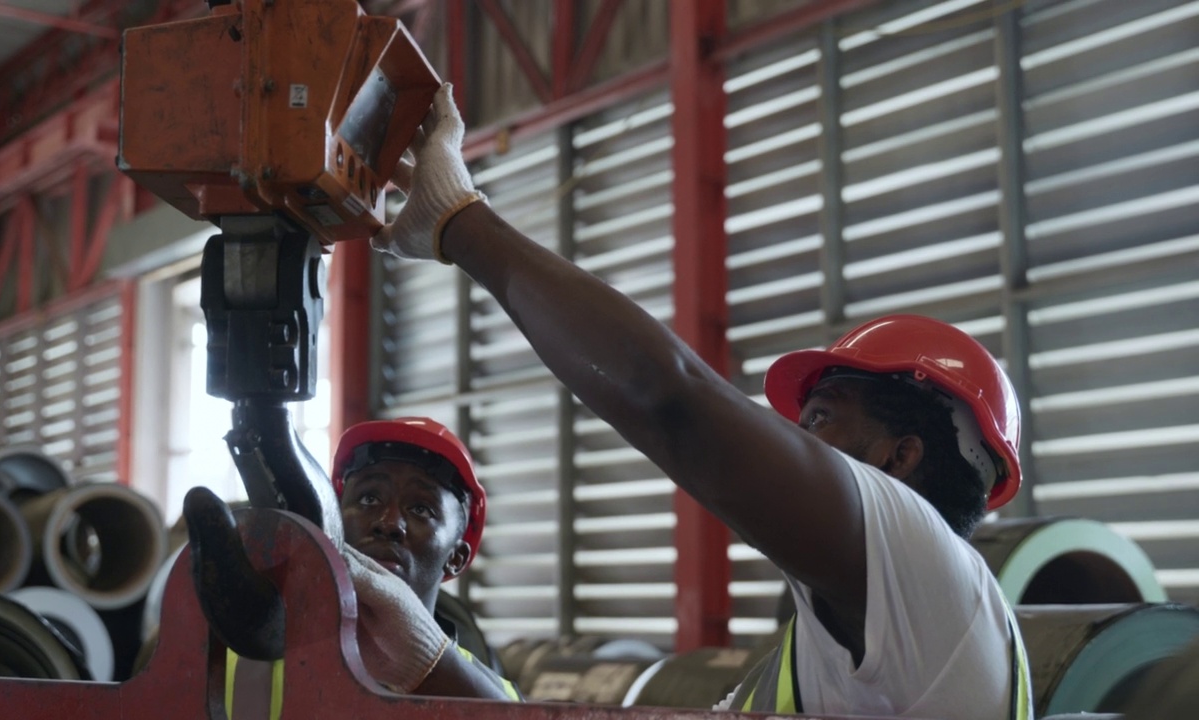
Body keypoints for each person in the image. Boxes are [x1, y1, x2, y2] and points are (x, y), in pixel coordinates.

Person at [368, 83, 1034, 719]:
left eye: (821, 421)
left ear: (899, 459)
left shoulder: (927, 567)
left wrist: (459, 219)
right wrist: (428, 660)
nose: (789, 442)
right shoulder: (853, 643)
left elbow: (670, 400)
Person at [330, 416, 521, 701]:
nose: (389, 523)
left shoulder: (498, 698)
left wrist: (428, 660)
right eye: (369, 499)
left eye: (421, 509)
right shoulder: (258, 649)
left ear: (456, 557)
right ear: (332, 521)